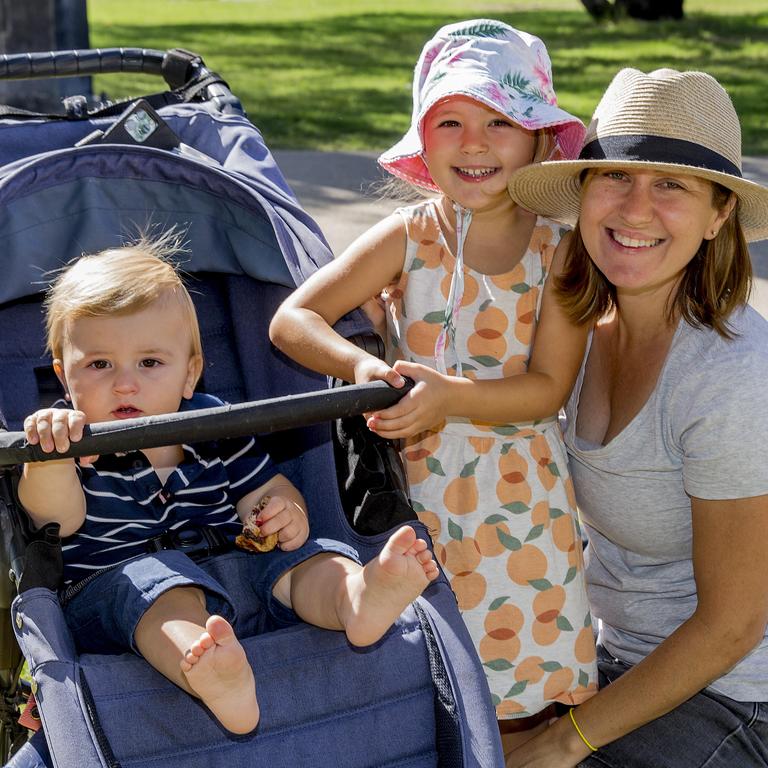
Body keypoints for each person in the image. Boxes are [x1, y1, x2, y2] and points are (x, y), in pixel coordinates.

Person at [269, 19, 598, 755]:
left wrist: (450, 395)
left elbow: (545, 388)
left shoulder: (561, 254)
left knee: (525, 692)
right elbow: (294, 320)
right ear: (424, 140)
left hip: (526, 513)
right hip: (420, 504)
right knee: (431, 680)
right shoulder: (408, 237)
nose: (474, 143)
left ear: (540, 140)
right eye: (450, 121)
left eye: (499, 123)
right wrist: (358, 367)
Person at [18, 236, 439, 738]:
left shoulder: (212, 424)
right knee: (163, 590)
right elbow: (55, 522)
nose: (125, 383)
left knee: (309, 555)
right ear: (65, 377)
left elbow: (266, 488)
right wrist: (50, 462)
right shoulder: (67, 437)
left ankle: (355, 598)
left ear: (190, 373)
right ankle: (213, 676)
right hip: (120, 596)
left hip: (236, 570)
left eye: (150, 363)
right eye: (99, 365)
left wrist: (282, 511)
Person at [503, 67, 768, 767]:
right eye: (616, 175)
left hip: (737, 692)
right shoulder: (580, 325)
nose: (635, 208)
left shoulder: (730, 378)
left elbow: (733, 625)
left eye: (671, 185)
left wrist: (566, 739)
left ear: (719, 216)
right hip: (605, 653)